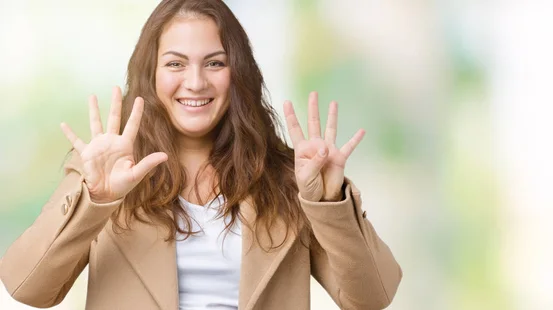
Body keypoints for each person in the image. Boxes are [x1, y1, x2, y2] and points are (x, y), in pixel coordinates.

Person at [0, 0, 401, 309]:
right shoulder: (105, 170)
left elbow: (371, 298)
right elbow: (27, 288)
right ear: (151, 73)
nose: (195, 82)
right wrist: (97, 199)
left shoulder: (289, 179)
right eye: (175, 63)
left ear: (237, 73)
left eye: (214, 63)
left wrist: (327, 202)